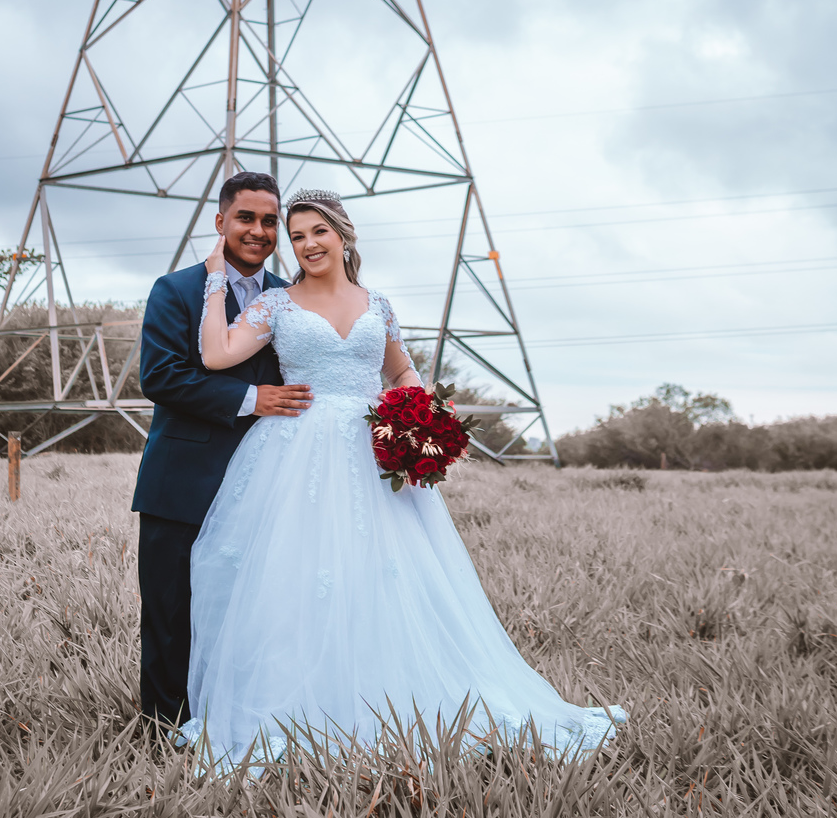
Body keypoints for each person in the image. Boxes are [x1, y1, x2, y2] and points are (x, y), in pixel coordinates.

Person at [187, 186, 627, 763]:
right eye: (296, 236)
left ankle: (402, 698)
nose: (307, 244)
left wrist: (422, 417)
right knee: (302, 575)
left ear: (343, 235)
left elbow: (401, 368)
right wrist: (216, 278)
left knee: (389, 576)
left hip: (374, 453)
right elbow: (217, 355)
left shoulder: (379, 303)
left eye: (318, 231)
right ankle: (304, 708)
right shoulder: (277, 304)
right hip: (298, 451)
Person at [133, 171, 312, 730]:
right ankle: (164, 728)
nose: (258, 231)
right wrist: (250, 398)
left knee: (252, 611)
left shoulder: (292, 299)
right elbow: (160, 376)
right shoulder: (175, 290)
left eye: (268, 222)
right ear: (220, 222)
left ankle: (231, 719)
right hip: (183, 479)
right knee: (170, 610)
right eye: (245, 218)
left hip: (267, 482)